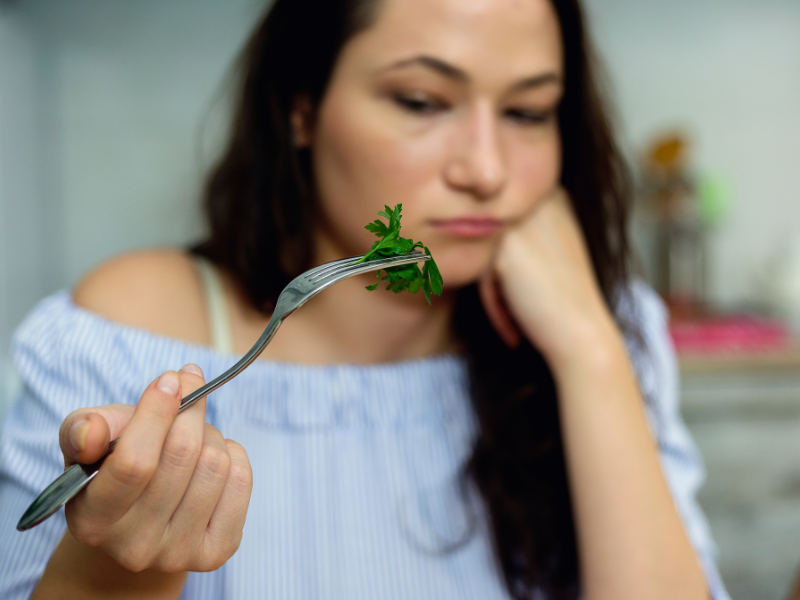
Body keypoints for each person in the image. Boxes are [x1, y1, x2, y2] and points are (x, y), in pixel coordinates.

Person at [0, 0, 730, 598]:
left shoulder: (611, 330)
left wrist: (588, 350)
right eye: (421, 101)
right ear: (301, 109)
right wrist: (115, 565)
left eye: (528, 112)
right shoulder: (127, 332)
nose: (486, 169)